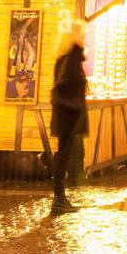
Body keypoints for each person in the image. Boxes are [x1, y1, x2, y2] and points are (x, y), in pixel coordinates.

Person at [50, 21, 89, 216]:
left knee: (63, 154)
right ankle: (59, 199)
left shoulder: (64, 57)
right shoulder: (72, 57)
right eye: (81, 34)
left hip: (65, 113)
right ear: (74, 36)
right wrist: (76, 101)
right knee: (64, 155)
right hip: (69, 115)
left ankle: (59, 197)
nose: (84, 38)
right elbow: (64, 85)